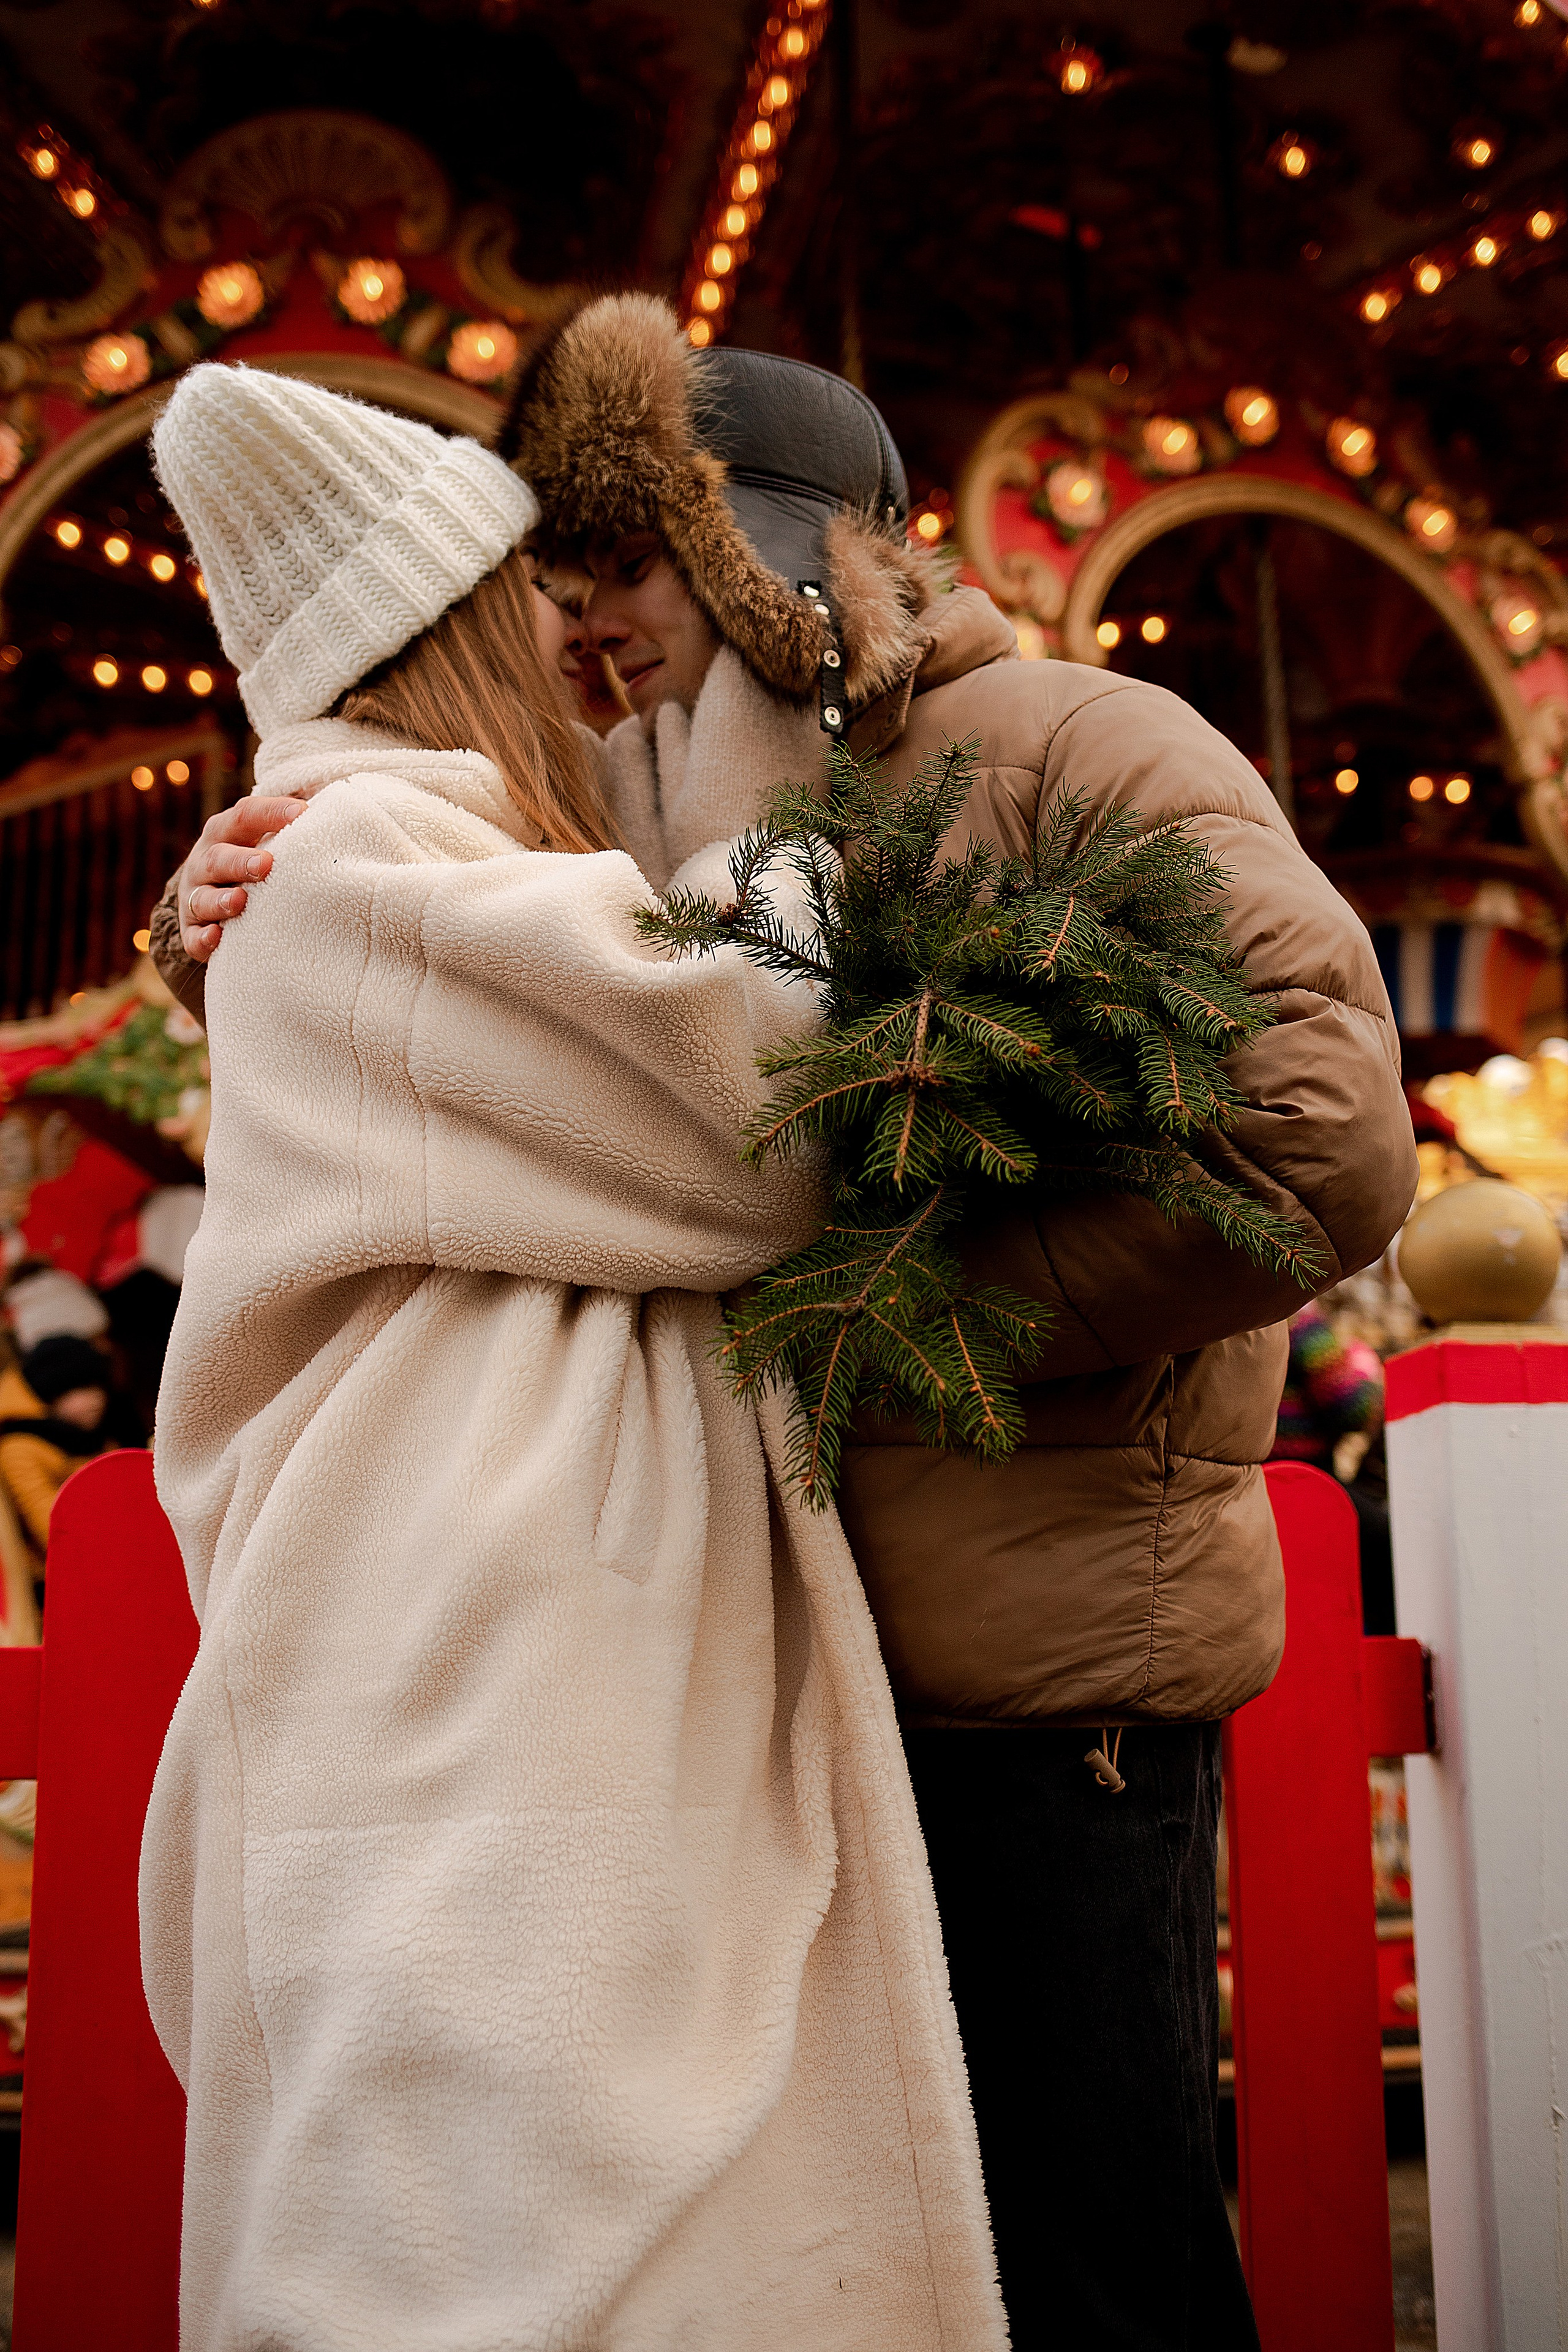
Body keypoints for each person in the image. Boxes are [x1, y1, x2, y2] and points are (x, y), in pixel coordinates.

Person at [153, 301, 1419, 2350]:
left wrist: (890, 1327)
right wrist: (229, 903)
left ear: (767, 551)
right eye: (557, 575)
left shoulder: (1074, 744)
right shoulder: (662, 811)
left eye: (626, 562)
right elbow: (506, 1007)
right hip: (758, 1696)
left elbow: (1313, 1138)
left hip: (1034, 1673)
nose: (586, 621)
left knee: (1087, 2246)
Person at [140, 362, 1006, 2352]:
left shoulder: (421, 860)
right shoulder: (355, 860)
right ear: (448, 630)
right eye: (538, 591)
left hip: (508, 1659)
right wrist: (791, 789)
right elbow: (754, 1097)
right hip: (478, 1678)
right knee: (503, 2248)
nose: (581, 635)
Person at [0, 1334, 113, 1558]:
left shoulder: (92, 1436)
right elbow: (52, 1530)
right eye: (80, 1389)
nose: (95, 1399)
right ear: (51, 1394)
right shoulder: (18, 1448)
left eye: (98, 1387)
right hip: (63, 1567)